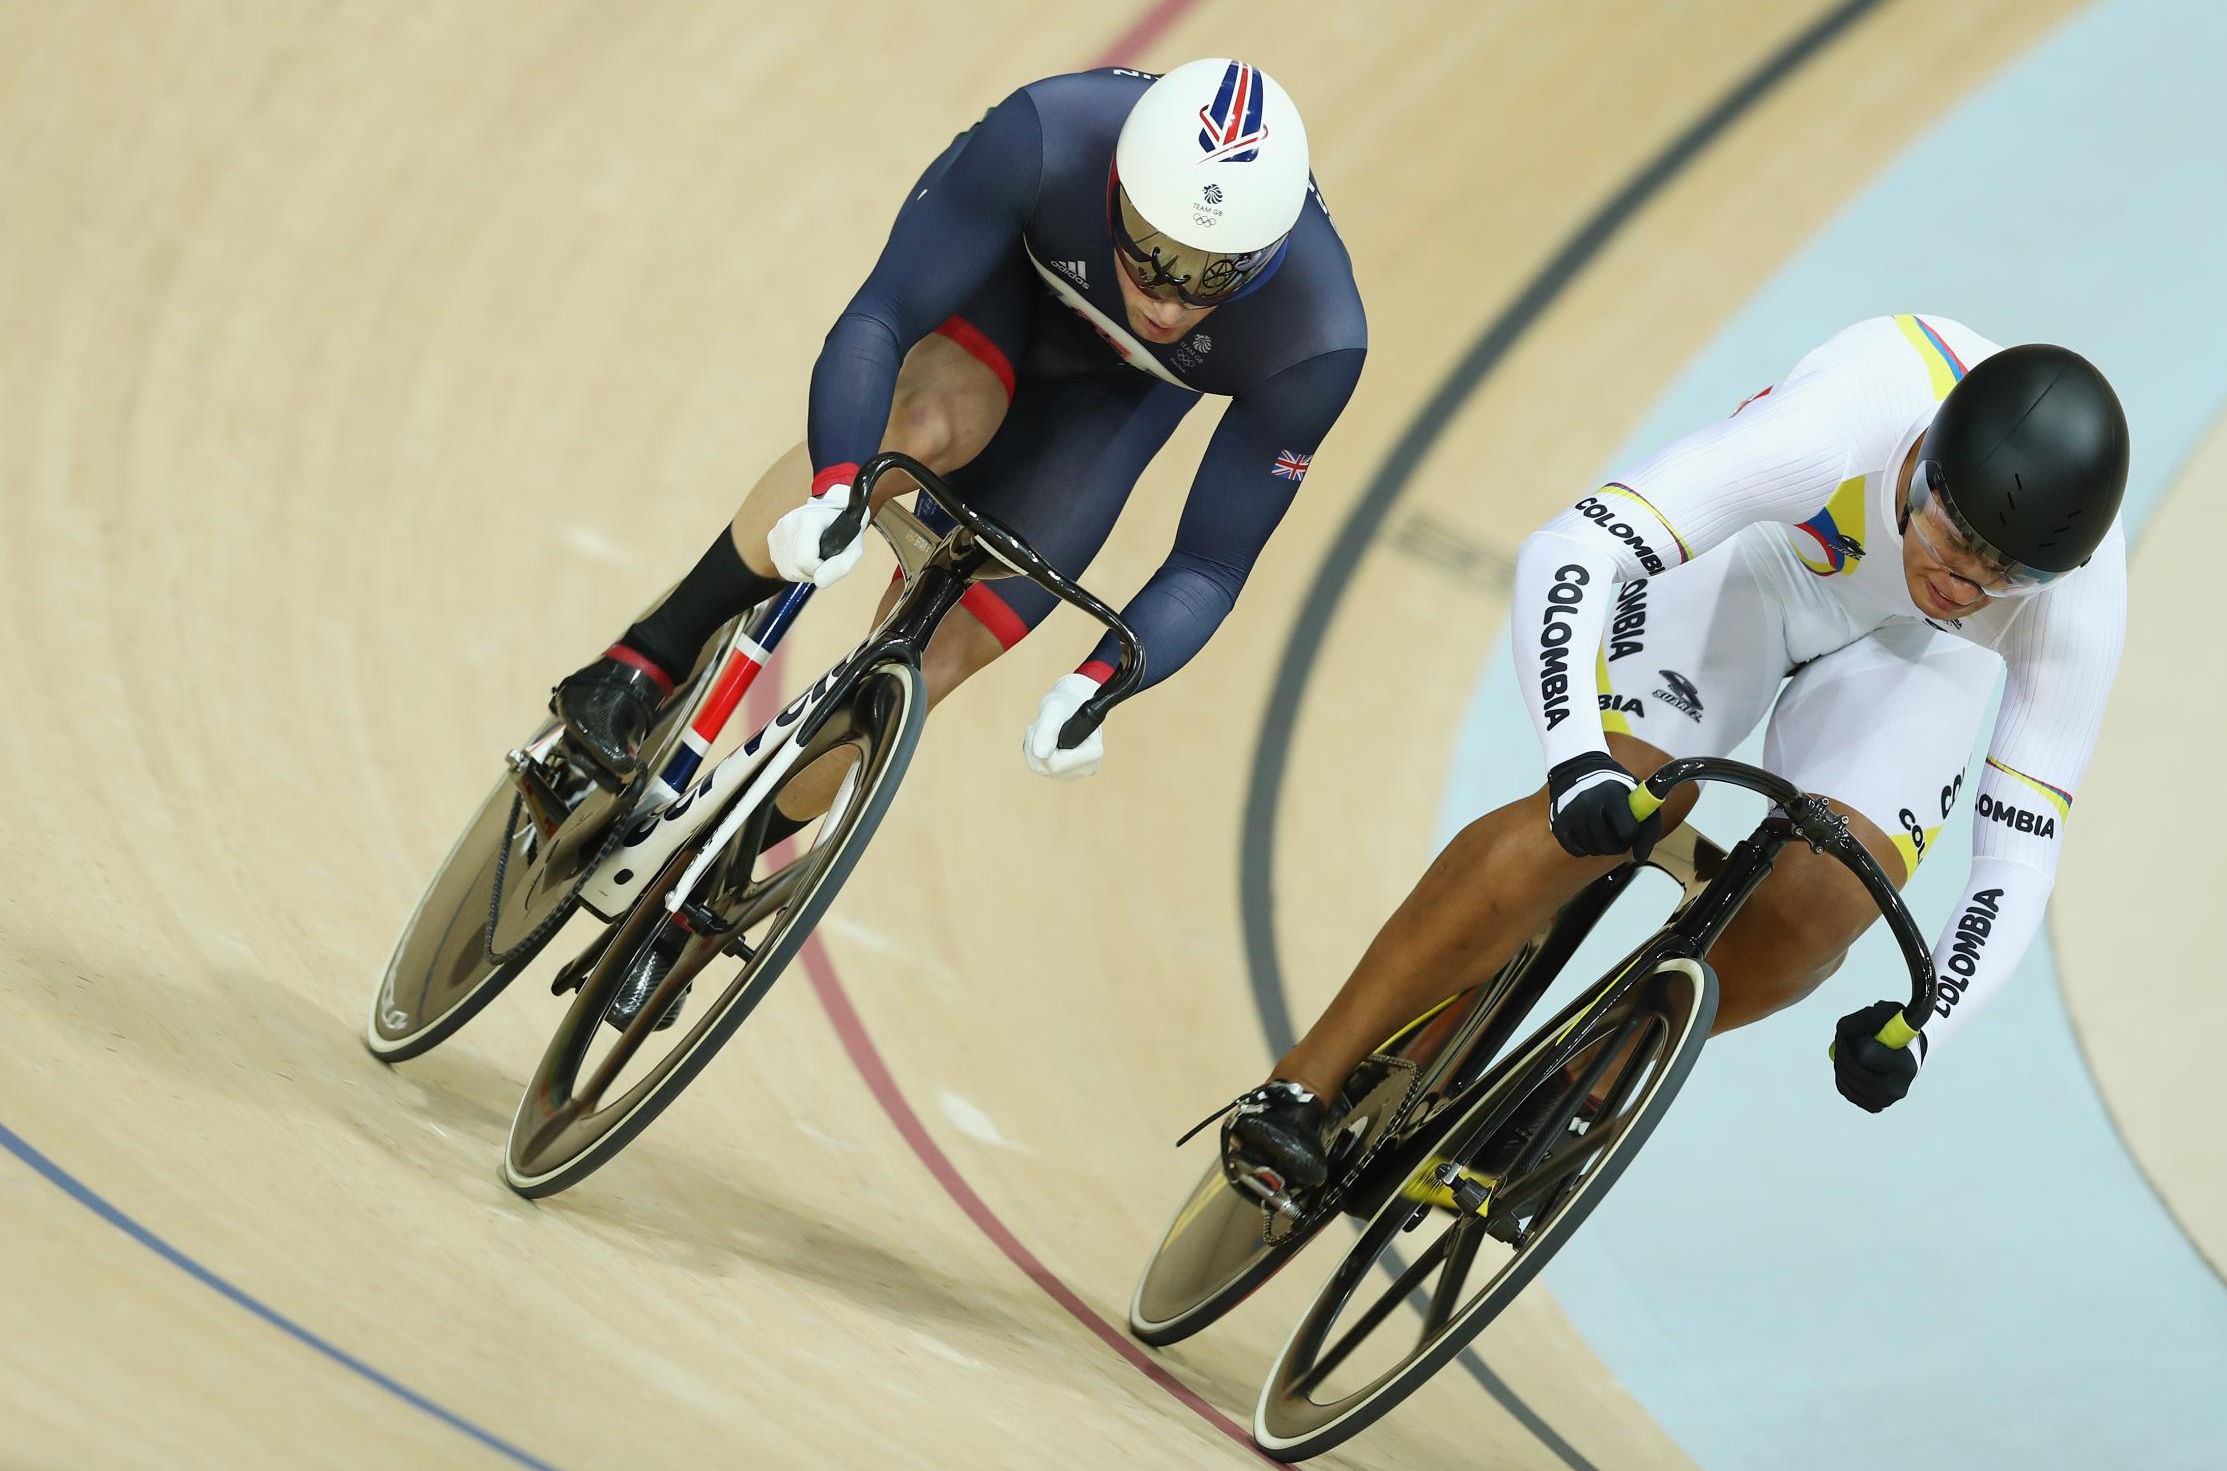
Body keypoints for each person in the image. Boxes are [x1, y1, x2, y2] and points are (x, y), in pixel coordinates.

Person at [1217, 314, 2127, 1203]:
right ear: (1925, 462)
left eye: (2006, 576)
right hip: (1765, 565)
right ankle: (1305, 1084)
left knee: (1827, 904)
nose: (1963, 585)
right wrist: (1579, 763)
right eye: (1957, 540)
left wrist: (1926, 1028)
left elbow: (2019, 856)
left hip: (1921, 664)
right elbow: (1574, 547)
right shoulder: (1836, 426)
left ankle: (1581, 1093)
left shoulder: (2072, 599)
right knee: (1610, 802)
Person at [550, 58, 1365, 1026]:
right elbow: (879, 317)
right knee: (927, 427)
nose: (1167, 296)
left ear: (1264, 259)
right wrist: (839, 482)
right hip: (1001, 300)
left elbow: (1210, 563)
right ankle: (648, 658)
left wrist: (1101, 683)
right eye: (1149, 250)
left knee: (927, 665)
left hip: (1112, 409)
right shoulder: (1050, 134)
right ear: (1117, 189)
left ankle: (691, 907)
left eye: (1209, 277)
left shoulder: (1316, 335)